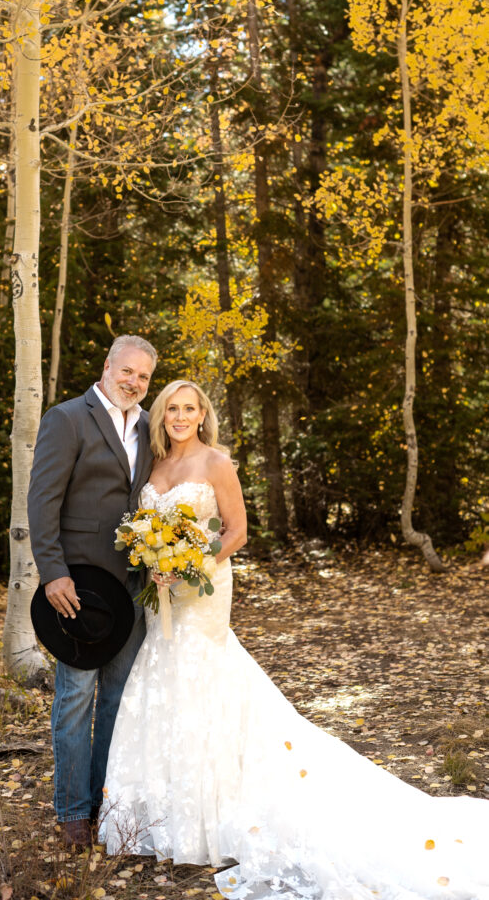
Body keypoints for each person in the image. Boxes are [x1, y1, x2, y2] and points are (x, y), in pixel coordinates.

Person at [100, 380, 489, 900]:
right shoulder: (151, 466)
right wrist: (155, 562)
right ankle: (169, 816)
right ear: (161, 415)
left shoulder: (217, 463)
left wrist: (190, 563)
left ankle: (213, 815)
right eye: (171, 407)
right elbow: (142, 527)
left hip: (203, 588)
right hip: (161, 593)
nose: (179, 415)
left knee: (203, 678)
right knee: (163, 681)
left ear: (202, 414)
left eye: (189, 408)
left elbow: (236, 532)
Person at [28, 334, 157, 848]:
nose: (133, 382)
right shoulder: (67, 419)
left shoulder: (150, 426)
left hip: (133, 586)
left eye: (143, 377)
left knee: (118, 700)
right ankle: (73, 813)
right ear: (107, 366)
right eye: (126, 371)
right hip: (78, 587)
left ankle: (106, 801)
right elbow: (42, 501)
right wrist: (52, 571)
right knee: (76, 697)